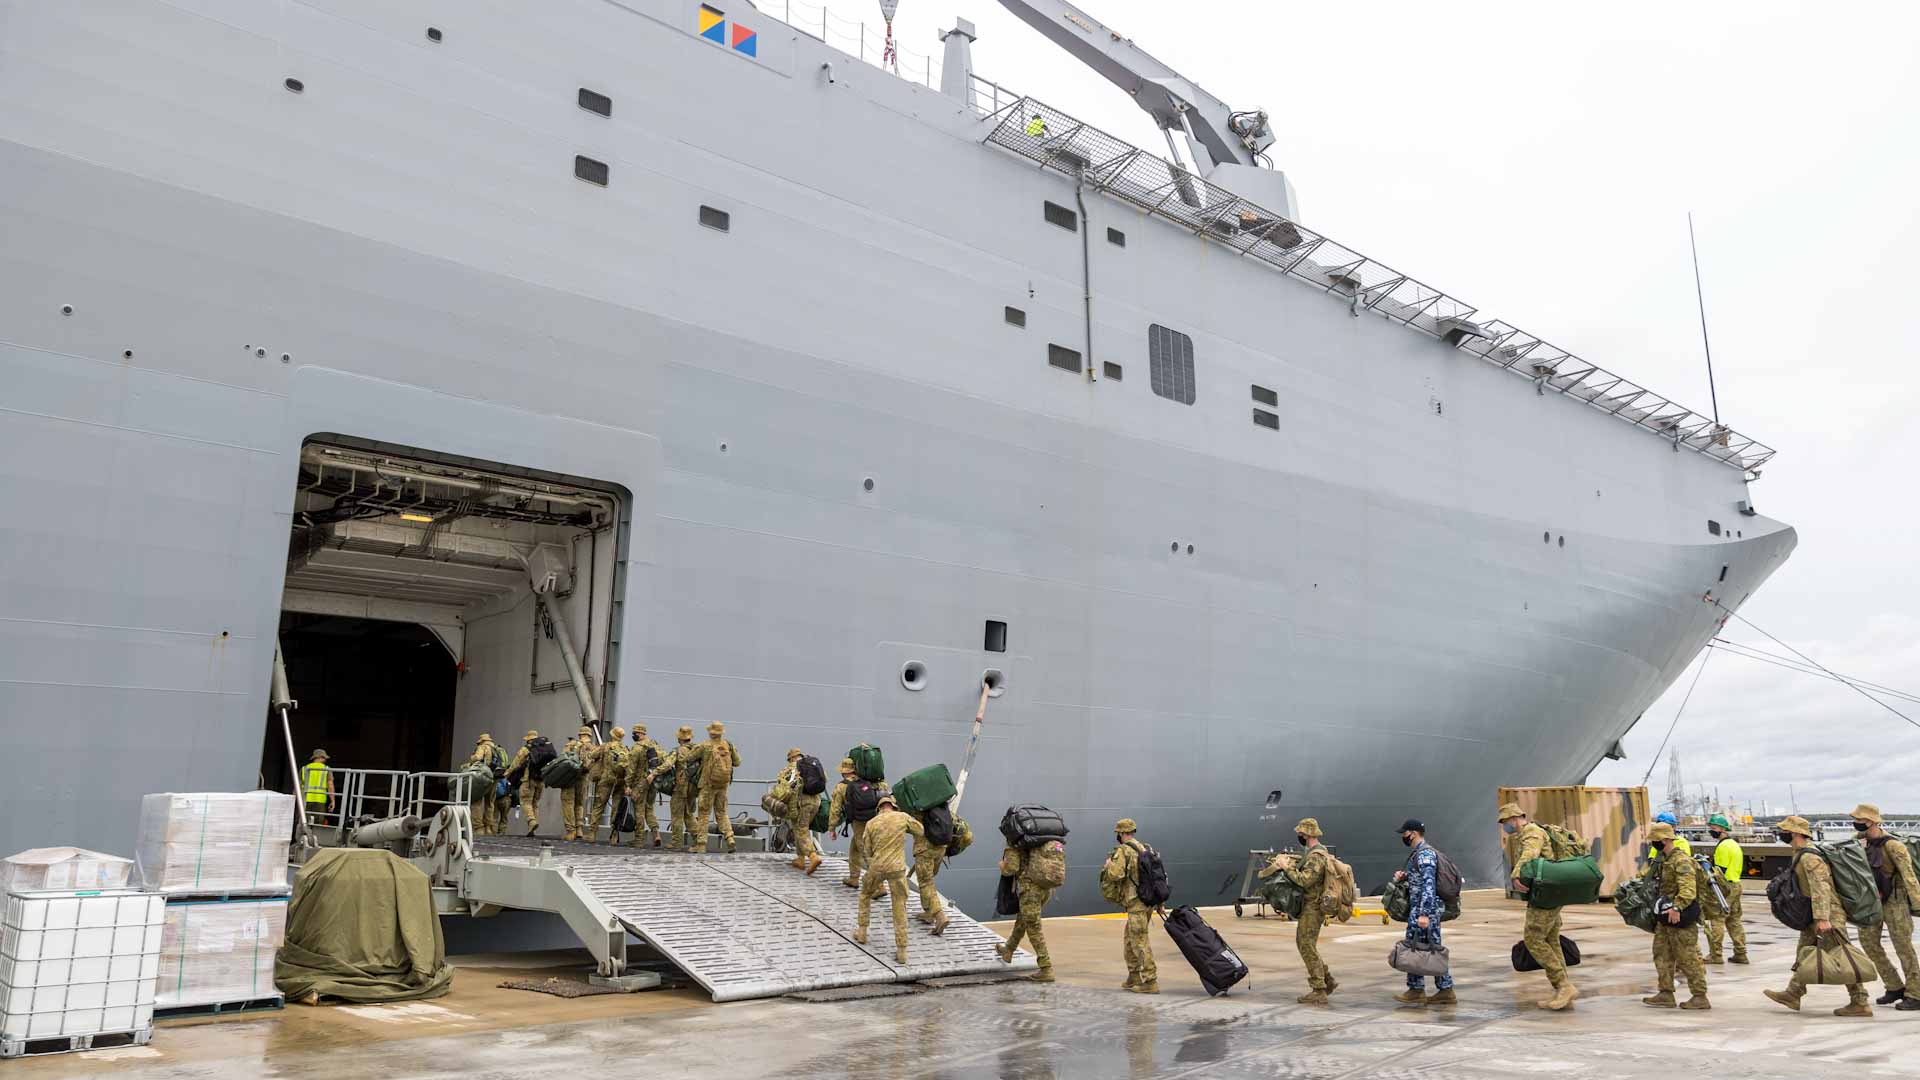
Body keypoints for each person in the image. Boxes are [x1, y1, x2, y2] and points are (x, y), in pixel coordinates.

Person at [1764, 815, 1872, 1016]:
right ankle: (1793, 993)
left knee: (1842, 958)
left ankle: (1860, 1002)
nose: (1781, 834)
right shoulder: (1801, 854)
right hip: (1813, 915)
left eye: (1784, 831)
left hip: (1827, 915)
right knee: (1805, 953)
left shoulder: (1810, 857)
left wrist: (1823, 918)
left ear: (1795, 832)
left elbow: (1821, 887)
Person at [1500, 802, 1578, 1010]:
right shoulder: (1535, 830)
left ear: (1514, 818)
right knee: (1552, 940)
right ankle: (1562, 988)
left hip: (1546, 894)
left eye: (1505, 822)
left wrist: (1516, 873)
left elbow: (1530, 854)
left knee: (1533, 938)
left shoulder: (1531, 831)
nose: (1504, 826)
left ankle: (1563, 985)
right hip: (1550, 892)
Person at [1262, 818, 1336, 1005]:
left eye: (1301, 834)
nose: (1299, 837)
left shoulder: (1316, 856)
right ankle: (1327, 980)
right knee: (1307, 943)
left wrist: (1286, 868)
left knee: (1305, 944)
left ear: (1308, 835)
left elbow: (1305, 881)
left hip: (1313, 907)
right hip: (1311, 905)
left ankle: (1319, 989)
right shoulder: (1314, 853)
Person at [1853, 803, 1920, 1009]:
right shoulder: (1858, 843)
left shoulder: (1893, 845)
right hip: (1871, 901)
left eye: (1860, 820)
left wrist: (1917, 903)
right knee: (1869, 943)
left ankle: (1916, 993)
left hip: (1895, 901)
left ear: (1872, 821)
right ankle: (1894, 986)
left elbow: (1909, 877)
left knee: (1903, 946)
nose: (1855, 824)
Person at [1641, 821, 1710, 1009]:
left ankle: (1700, 996)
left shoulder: (1681, 860)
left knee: (1687, 957)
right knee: (1661, 953)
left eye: (1655, 840)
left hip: (1680, 916)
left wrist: (1677, 908)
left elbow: (1688, 890)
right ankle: (1665, 993)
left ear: (1664, 840)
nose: (1652, 844)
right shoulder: (1665, 860)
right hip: (1666, 917)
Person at [852, 792, 923, 965]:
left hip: (877, 868)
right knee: (899, 905)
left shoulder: (871, 823)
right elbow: (920, 831)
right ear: (893, 805)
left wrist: (873, 864)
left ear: (879, 808)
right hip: (897, 869)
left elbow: (866, 850)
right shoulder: (902, 817)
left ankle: (862, 933)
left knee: (865, 895)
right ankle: (902, 951)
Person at [1390, 819, 1455, 1006]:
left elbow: (1429, 884)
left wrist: (1424, 913)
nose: (1403, 836)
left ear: (1414, 833)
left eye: (1405, 833)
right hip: (1420, 908)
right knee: (1418, 948)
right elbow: (1421, 879)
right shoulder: (1418, 854)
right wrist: (1406, 877)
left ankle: (1436, 990)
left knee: (1428, 949)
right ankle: (1424, 989)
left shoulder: (1425, 854)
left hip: (1424, 909)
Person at [1101, 818, 1158, 995]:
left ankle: (1150, 981)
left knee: (1140, 941)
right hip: (1147, 902)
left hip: (1136, 904)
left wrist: (1109, 866)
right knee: (1129, 940)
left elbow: (1116, 875)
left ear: (1121, 833)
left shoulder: (1124, 851)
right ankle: (1134, 976)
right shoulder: (1145, 848)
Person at [995, 840, 1057, 983]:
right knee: (1023, 919)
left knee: (1033, 927)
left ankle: (1046, 968)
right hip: (1045, 889)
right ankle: (1008, 950)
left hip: (1030, 890)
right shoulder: (1042, 840)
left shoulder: (1016, 843)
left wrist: (1003, 866)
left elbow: (1012, 868)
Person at [828, 757, 885, 889]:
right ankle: (854, 877)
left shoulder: (842, 786)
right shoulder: (870, 782)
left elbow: (835, 808)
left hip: (859, 823)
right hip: (875, 819)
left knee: (866, 852)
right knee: (855, 848)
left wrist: (832, 827)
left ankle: (879, 886)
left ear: (844, 772)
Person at [1703, 814, 1748, 965]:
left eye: (1714, 828)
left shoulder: (1723, 846)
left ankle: (1716, 955)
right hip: (1736, 885)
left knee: (1717, 920)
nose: (1711, 831)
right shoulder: (1734, 844)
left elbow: (1719, 871)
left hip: (1724, 887)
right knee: (1734, 921)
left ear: (1722, 829)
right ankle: (1741, 953)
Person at [691, 721, 742, 854]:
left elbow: (689, 758)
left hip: (708, 785)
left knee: (704, 814)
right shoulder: (728, 745)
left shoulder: (705, 745)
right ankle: (730, 838)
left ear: (710, 732)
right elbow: (737, 762)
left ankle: (701, 845)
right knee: (722, 812)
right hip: (723, 785)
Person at [647, 725, 700, 851]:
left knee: (677, 815)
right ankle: (699, 840)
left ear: (679, 738)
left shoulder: (678, 750)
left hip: (681, 788)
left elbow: (667, 764)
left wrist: (654, 773)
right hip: (694, 788)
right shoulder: (697, 750)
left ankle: (676, 842)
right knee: (688, 814)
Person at [780, 749, 825, 875]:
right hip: (816, 801)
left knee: (801, 830)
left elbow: (783, 787)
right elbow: (824, 779)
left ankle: (812, 856)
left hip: (802, 803)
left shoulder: (791, 768)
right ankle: (800, 859)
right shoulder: (812, 764)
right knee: (800, 828)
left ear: (791, 758)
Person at [909, 804, 950, 935]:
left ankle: (939, 915)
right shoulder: (942, 806)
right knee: (928, 881)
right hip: (941, 848)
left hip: (925, 850)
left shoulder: (917, 810)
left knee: (926, 883)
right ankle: (928, 913)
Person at [622, 724, 664, 848]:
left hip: (640, 783)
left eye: (635, 733)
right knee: (649, 808)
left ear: (640, 733)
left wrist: (628, 785)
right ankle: (656, 833)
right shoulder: (654, 745)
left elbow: (631, 769)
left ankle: (639, 839)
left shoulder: (637, 748)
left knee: (639, 810)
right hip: (653, 781)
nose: (633, 735)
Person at [587, 726, 629, 843]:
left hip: (606, 780)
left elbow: (592, 755)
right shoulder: (625, 749)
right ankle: (614, 835)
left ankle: (592, 834)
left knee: (599, 806)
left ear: (612, 735)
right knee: (616, 808)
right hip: (620, 781)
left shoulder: (605, 746)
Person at [505, 730, 544, 836]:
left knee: (526, 802)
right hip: (541, 781)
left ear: (528, 740)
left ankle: (531, 821)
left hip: (528, 780)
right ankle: (532, 830)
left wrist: (507, 774)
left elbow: (515, 764)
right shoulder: (544, 748)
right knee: (535, 804)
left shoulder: (526, 749)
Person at [560, 726, 594, 841]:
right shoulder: (592, 747)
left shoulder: (572, 744)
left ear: (580, 735)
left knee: (567, 802)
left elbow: (562, 760)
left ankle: (570, 831)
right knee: (580, 803)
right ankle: (579, 829)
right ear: (589, 735)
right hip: (584, 777)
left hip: (570, 777)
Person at [301, 748, 337, 818]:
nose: (325, 760)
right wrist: (333, 801)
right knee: (317, 824)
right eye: (324, 757)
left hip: (305, 799)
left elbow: (297, 786)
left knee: (304, 821)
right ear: (319, 757)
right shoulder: (326, 769)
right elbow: (330, 786)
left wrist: (295, 800)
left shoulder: (304, 768)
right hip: (319, 801)